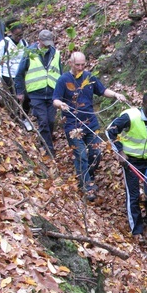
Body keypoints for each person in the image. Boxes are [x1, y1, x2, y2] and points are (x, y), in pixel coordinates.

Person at [53, 52, 125, 201]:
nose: (80, 67)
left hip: (90, 123)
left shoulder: (89, 77)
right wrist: (61, 105)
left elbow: (102, 90)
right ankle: (86, 186)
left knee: (97, 152)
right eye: (77, 64)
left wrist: (116, 95)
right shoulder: (63, 79)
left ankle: (88, 175)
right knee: (81, 155)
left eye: (82, 65)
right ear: (70, 63)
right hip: (72, 125)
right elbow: (55, 99)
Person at [107, 92, 147, 238]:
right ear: (143, 105)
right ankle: (136, 229)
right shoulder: (130, 117)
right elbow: (109, 131)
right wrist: (120, 152)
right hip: (130, 160)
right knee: (134, 194)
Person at [14, 29, 62, 158]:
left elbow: (60, 74)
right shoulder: (29, 52)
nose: (47, 45)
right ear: (39, 41)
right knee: (43, 121)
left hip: (52, 94)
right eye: (44, 42)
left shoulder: (56, 53)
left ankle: (45, 142)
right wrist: (19, 91)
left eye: (49, 43)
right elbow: (19, 73)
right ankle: (48, 151)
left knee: (51, 121)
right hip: (35, 94)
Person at [0, 20, 32, 131]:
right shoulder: (4, 43)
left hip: (20, 76)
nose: (19, 37)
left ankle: (24, 117)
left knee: (26, 97)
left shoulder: (24, 44)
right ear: (11, 33)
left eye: (21, 35)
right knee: (12, 97)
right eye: (17, 35)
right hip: (7, 75)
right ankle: (13, 118)